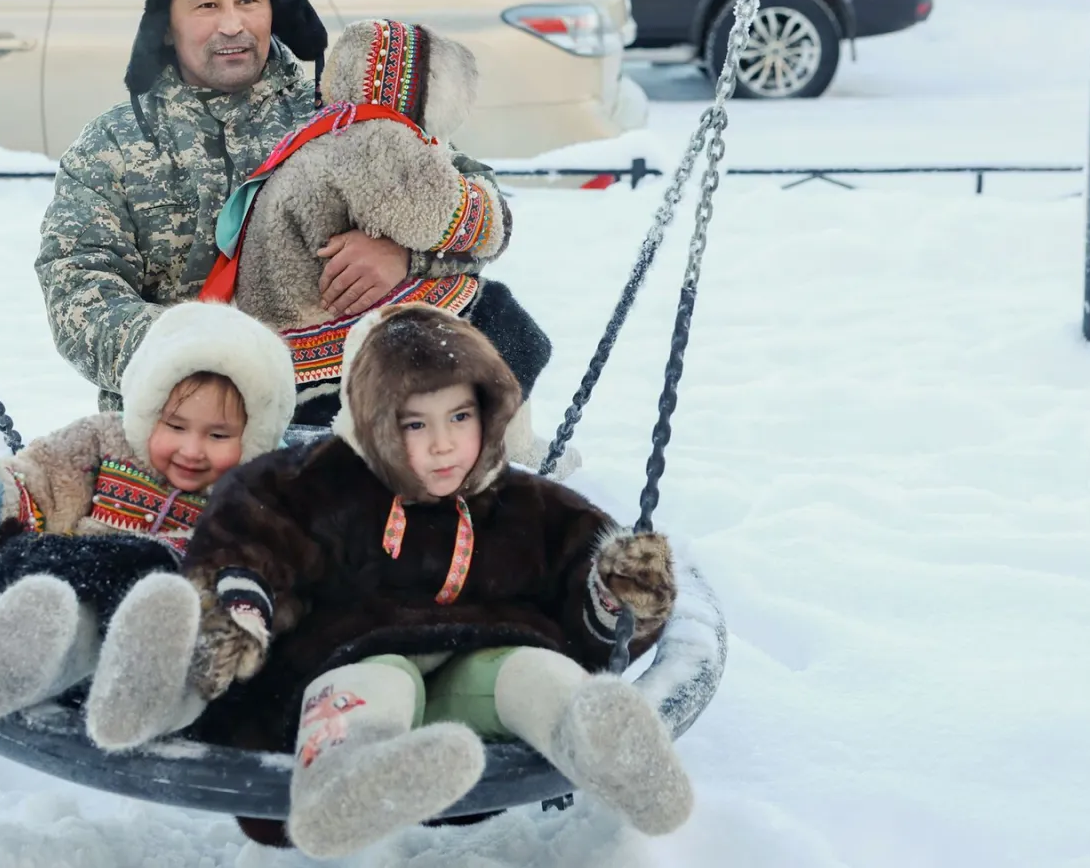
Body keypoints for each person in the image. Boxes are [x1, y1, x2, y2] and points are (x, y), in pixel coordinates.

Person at [83, 305, 690, 855]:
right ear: (375, 421)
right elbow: (253, 539)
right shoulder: (319, 483)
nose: (444, 444)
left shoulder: (524, 503)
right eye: (414, 424)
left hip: (479, 664)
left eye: (459, 416)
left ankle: (607, 742)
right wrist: (240, 610)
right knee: (376, 681)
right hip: (353, 656)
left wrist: (618, 594)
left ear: (490, 410)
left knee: (536, 672)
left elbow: (582, 580)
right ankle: (345, 782)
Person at [35, 0, 513, 412]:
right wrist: (209, 353)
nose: (232, 25)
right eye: (205, 4)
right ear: (165, 21)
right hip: (184, 433)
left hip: (353, 420)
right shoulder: (110, 147)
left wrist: (407, 257)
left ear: (276, 6)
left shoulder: (343, 112)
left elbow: (490, 212)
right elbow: (78, 294)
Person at [0, 301, 294, 724]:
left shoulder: (252, 500)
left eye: (218, 435)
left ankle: (139, 705)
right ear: (149, 411)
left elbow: (263, 568)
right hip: (82, 585)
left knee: (177, 630)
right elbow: (36, 486)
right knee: (61, 610)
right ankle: (18, 659)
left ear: (253, 435)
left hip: (169, 624)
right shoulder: (102, 443)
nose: (191, 449)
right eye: (176, 426)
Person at [206, 18, 556, 443]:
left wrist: (407, 260)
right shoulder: (378, 140)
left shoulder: (328, 129)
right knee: (503, 321)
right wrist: (469, 215)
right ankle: (500, 451)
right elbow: (468, 222)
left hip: (289, 354)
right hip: (325, 370)